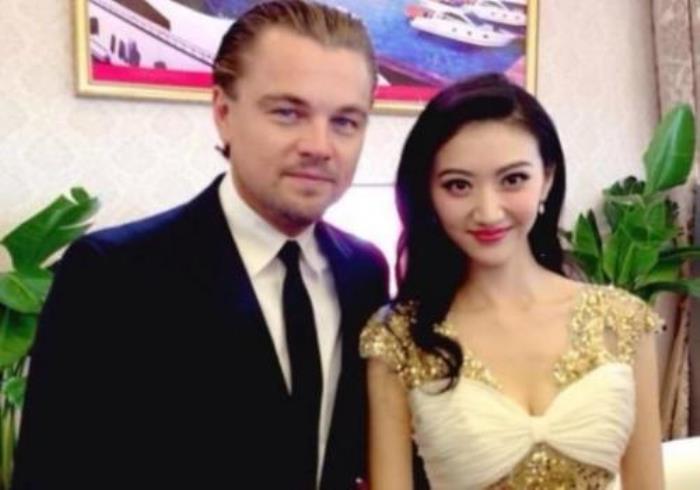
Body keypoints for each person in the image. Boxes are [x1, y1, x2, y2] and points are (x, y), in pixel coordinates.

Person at [13, 2, 388, 489]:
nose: (319, 145)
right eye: (287, 112)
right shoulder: (114, 275)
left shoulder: (364, 273)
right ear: (223, 113)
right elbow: (51, 472)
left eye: (345, 121)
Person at [360, 73, 664, 489]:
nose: (488, 212)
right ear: (428, 193)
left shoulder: (623, 321)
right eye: (458, 185)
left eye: (513, 179)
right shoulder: (398, 338)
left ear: (547, 178)